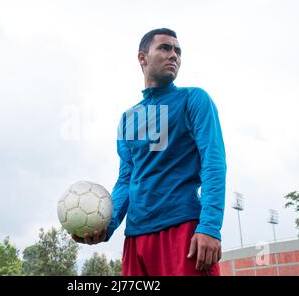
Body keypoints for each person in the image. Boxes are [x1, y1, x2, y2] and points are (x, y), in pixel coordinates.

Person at [72, 28, 227, 276]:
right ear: (142, 58)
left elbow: (213, 162)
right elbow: (126, 179)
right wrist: (107, 225)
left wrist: (209, 226)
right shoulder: (129, 118)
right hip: (136, 238)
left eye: (177, 51)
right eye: (165, 48)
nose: (173, 55)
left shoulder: (194, 99)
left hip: (182, 231)